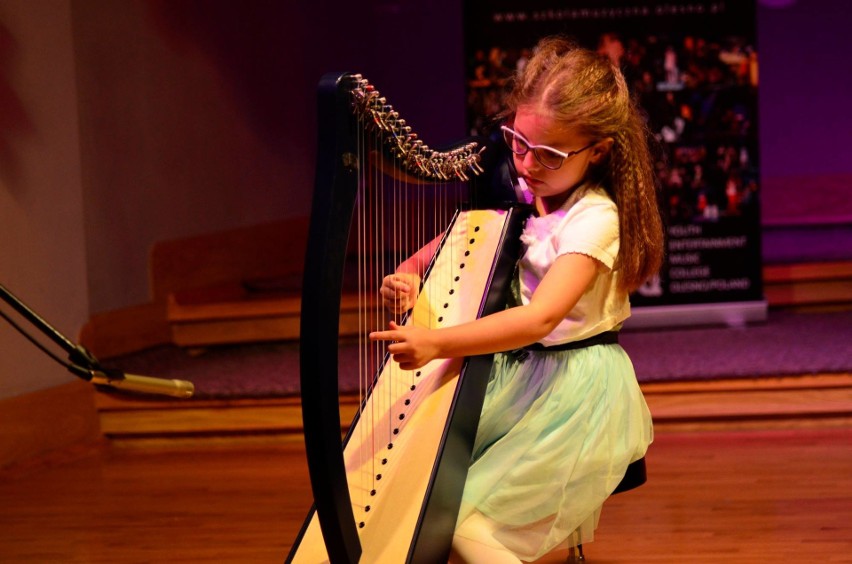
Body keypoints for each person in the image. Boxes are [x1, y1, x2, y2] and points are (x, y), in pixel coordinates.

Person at [371, 35, 664, 563]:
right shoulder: (528, 197)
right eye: (517, 142)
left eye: (549, 153)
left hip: (575, 391)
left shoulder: (595, 219)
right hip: (522, 378)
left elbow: (540, 317)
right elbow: (429, 258)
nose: (527, 163)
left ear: (598, 150)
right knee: (439, 511)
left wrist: (435, 341)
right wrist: (406, 281)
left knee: (467, 533)